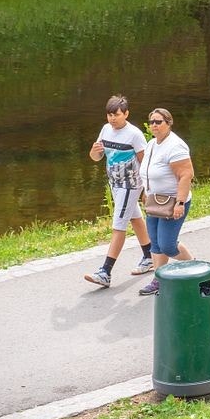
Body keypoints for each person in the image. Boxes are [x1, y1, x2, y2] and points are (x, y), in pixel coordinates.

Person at [83, 95, 156, 288]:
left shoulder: (134, 134)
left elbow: (144, 162)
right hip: (114, 184)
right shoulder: (106, 130)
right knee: (134, 218)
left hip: (130, 185)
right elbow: (96, 157)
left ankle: (105, 271)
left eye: (116, 114)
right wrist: (94, 151)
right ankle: (149, 257)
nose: (112, 118)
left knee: (118, 225)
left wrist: (146, 189)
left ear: (126, 114)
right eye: (109, 115)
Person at [138, 107, 194, 297]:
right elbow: (148, 172)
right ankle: (159, 278)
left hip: (172, 202)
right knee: (155, 243)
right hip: (155, 201)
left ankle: (195, 267)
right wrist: (146, 192)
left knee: (168, 245)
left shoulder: (175, 146)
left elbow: (186, 175)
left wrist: (180, 203)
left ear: (168, 123)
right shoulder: (152, 144)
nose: (154, 125)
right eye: (151, 122)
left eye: (158, 121)